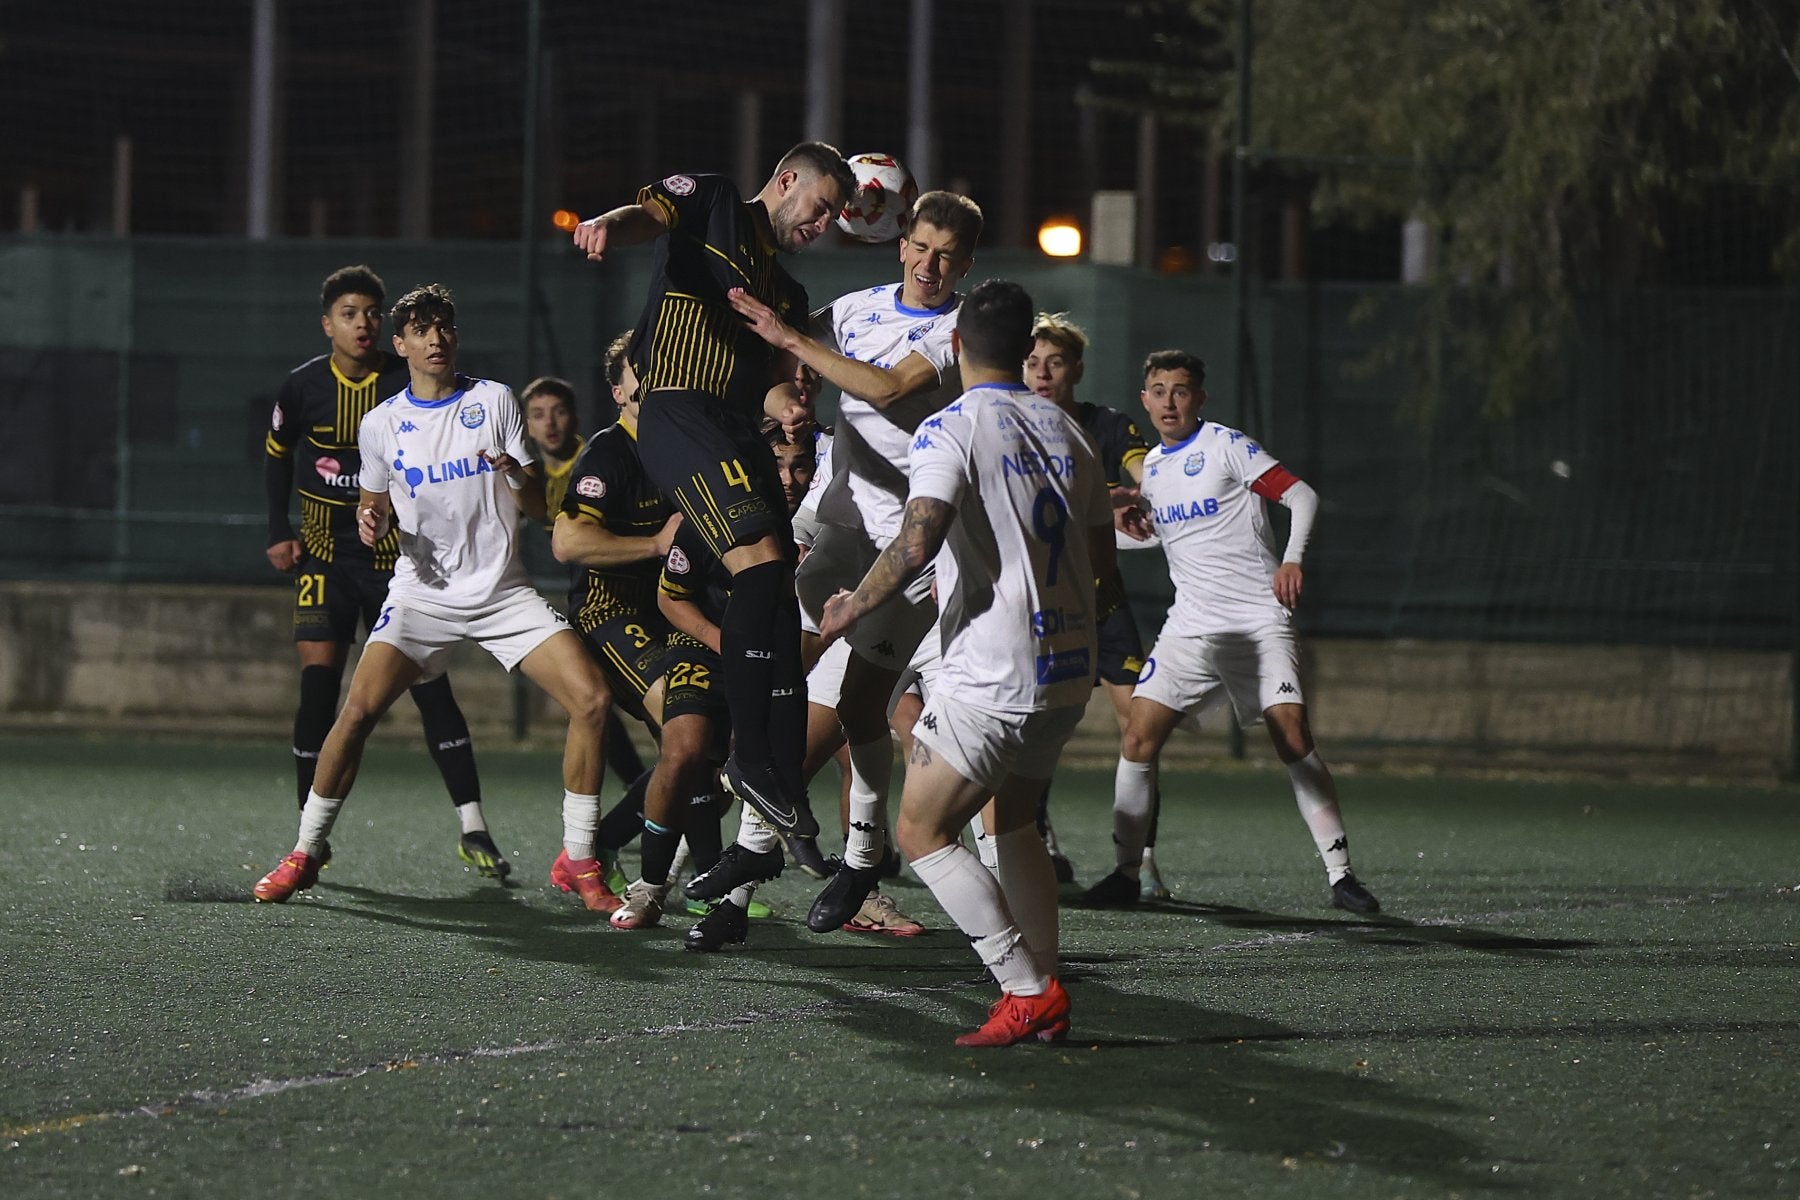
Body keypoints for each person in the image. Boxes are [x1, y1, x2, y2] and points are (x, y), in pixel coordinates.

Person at [819, 279, 1114, 1046]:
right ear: (1027, 351)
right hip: (1068, 665)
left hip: (996, 667)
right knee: (1011, 821)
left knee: (920, 830)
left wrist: (852, 606)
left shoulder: (949, 425)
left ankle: (1023, 987)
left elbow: (917, 540)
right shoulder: (1069, 429)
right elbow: (1100, 554)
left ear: (954, 349)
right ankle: (1045, 989)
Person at [253, 285, 616, 903]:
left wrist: (518, 475)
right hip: (422, 595)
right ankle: (305, 850)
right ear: (402, 346)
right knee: (357, 713)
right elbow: (373, 507)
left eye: (443, 327)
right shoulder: (381, 424)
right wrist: (372, 522)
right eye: (420, 331)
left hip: (503, 593)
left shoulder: (494, 399)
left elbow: (534, 505)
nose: (435, 340)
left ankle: (578, 860)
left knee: (592, 700)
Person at [571, 142, 854, 840]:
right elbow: (649, 213)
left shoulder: (787, 294)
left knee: (777, 571)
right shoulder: (719, 199)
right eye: (821, 209)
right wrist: (606, 222)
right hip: (676, 408)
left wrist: (788, 399)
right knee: (756, 565)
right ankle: (751, 757)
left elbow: (772, 377)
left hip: (736, 427)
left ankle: (778, 774)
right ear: (787, 181)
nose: (823, 228)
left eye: (835, 219)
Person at [726, 190, 984, 934]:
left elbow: (887, 385)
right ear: (901, 243)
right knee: (779, 679)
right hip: (842, 538)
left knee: (864, 711)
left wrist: (796, 344)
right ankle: (746, 875)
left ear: (963, 266)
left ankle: (862, 859)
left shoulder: (959, 328)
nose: (930, 264)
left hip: (915, 552)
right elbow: (780, 355)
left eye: (947, 256)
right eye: (922, 246)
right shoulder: (854, 308)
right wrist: (783, 392)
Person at [1082, 350, 1381, 914]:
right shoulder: (1156, 474)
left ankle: (1341, 876)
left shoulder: (1224, 444)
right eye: (1159, 390)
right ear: (1145, 401)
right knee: (1137, 739)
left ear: (1200, 398)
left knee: (1292, 738)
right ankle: (1125, 873)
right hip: (1190, 628)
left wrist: (1292, 561)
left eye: (1181, 390)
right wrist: (1097, 526)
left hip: (1256, 621)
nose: (1170, 401)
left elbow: (1301, 495)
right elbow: (1159, 538)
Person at [262, 265, 502, 878]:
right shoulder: (302, 388)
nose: (362, 323)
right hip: (325, 556)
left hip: (401, 564)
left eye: (371, 312)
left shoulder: (406, 384)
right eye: (349, 313)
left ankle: (474, 827)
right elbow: (277, 457)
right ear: (327, 324)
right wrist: (276, 532)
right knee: (320, 686)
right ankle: (308, 838)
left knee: (430, 685)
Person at [1020, 313, 1169, 897]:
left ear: (1076, 368)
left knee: (1142, 728)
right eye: (1032, 362)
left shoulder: (1107, 427)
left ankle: (1142, 860)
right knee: (1032, 729)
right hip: (1042, 610)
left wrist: (1141, 488)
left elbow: (1145, 475)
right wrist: (1108, 499)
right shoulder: (1014, 429)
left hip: (1103, 605)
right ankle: (1038, 843)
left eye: (1054, 362)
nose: (1042, 373)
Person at [547, 333, 684, 914]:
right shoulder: (608, 451)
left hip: (675, 611)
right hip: (609, 611)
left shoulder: (685, 445)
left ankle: (643, 859)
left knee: (706, 749)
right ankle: (594, 852)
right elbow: (568, 539)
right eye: (639, 373)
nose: (650, 382)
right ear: (619, 390)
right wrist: (655, 543)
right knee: (685, 725)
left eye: (660, 370)